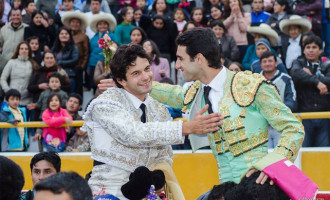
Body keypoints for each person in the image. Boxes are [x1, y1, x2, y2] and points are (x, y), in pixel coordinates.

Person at [147, 28, 304, 186]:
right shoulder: (198, 92)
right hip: (226, 191)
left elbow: (293, 127)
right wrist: (139, 83)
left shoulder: (249, 85)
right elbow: (174, 94)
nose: (178, 65)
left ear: (199, 59)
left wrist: (273, 167)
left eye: (181, 58)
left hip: (259, 190)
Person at [82, 44, 222, 198]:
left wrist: (157, 177)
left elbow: (165, 154)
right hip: (110, 188)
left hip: (148, 192)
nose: (145, 77)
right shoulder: (105, 103)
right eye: (136, 73)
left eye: (147, 69)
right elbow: (133, 134)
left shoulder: (157, 107)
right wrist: (185, 128)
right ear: (121, 80)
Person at [290, 35, 330, 147]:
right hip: (304, 116)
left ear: (320, 50)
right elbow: (296, 74)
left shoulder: (327, 65)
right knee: (303, 153)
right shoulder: (298, 63)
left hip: (324, 116)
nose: (311, 50)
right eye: (308, 47)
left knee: (323, 153)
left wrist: (311, 76)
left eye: (314, 47)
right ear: (304, 50)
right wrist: (317, 82)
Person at [259, 51, 297, 148]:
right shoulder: (253, 80)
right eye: (264, 61)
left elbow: (291, 100)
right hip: (261, 127)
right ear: (261, 64)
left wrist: (278, 113)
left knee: (280, 158)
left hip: (280, 126)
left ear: (276, 63)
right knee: (265, 160)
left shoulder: (286, 79)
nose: (267, 64)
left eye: (270, 61)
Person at [0, 42, 38, 109]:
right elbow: (3, 78)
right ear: (18, 50)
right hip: (11, 99)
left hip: (27, 99)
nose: (24, 50)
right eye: (22, 49)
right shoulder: (12, 62)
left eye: (26, 49)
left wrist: (28, 91)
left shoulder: (33, 64)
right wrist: (8, 91)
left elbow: (35, 81)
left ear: (29, 51)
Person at [62, 11, 89, 97]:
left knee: (78, 87)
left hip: (78, 66)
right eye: (73, 22)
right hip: (66, 65)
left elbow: (86, 52)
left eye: (77, 22)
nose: (75, 24)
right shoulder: (65, 34)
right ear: (69, 23)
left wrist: (82, 67)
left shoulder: (84, 36)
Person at [87, 13, 117, 92]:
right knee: (95, 85)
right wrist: (88, 67)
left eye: (104, 24)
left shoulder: (112, 36)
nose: (102, 26)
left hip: (104, 64)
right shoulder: (93, 37)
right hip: (93, 64)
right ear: (97, 26)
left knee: (104, 84)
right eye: (100, 24)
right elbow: (89, 52)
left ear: (108, 26)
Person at [52, 27, 79, 92]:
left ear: (69, 36)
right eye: (62, 34)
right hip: (55, 75)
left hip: (69, 75)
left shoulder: (73, 47)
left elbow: (75, 60)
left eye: (66, 34)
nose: (64, 35)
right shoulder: (54, 48)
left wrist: (60, 62)